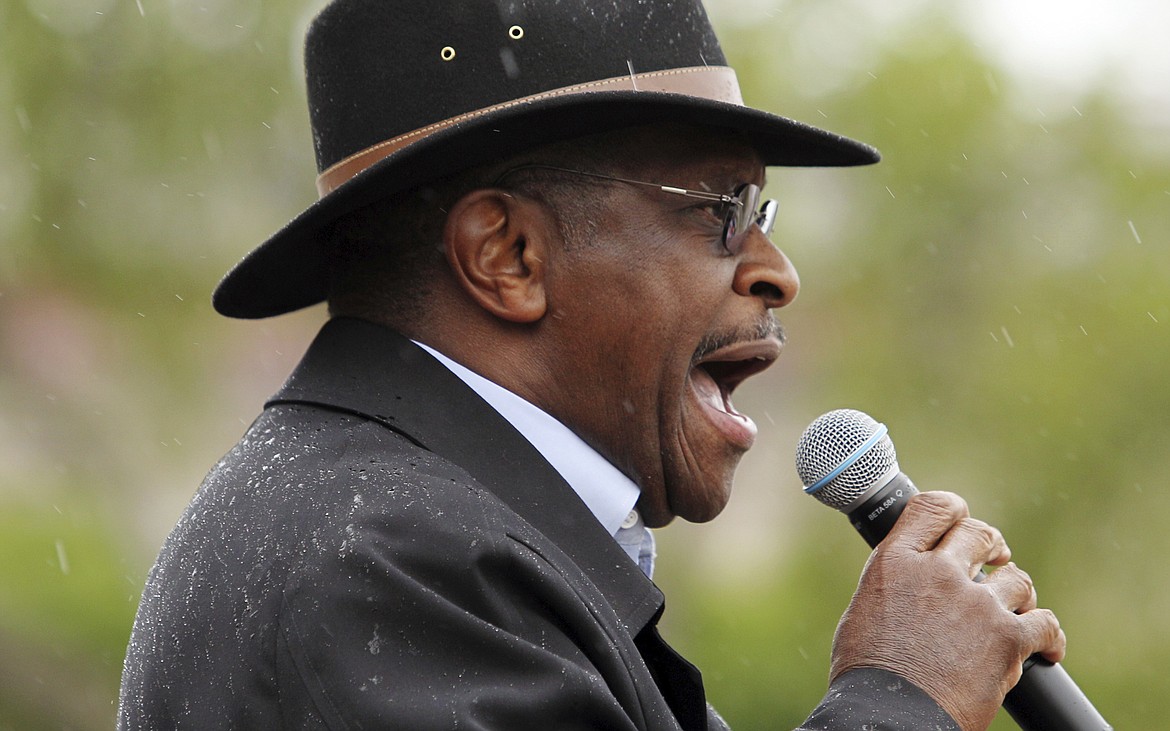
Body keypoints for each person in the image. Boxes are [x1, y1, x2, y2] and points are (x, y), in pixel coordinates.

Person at [118, 1, 1066, 729]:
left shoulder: (403, 524)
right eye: (719, 211)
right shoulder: (387, 563)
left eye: (764, 216)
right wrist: (902, 694)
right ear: (507, 257)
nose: (778, 273)